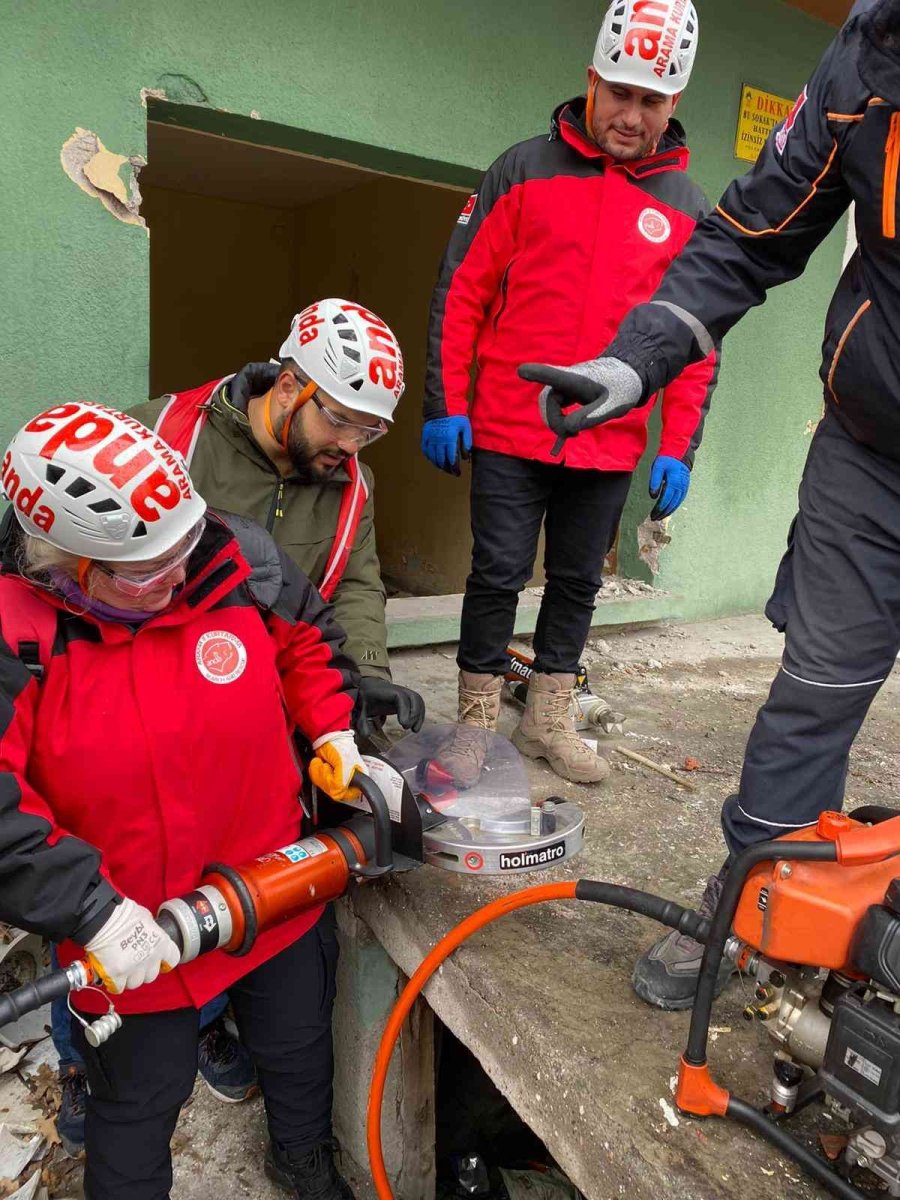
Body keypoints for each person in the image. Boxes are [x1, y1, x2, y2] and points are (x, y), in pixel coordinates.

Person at [519, 0, 898, 1009]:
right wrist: (636, 361)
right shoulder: (869, 63)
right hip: (873, 453)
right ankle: (755, 905)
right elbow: (748, 238)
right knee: (816, 686)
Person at [48, 298, 426, 1144]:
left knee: (227, 880)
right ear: (289, 386)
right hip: (135, 708)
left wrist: (364, 677)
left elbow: (353, 583)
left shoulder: (350, 483)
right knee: (109, 896)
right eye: (341, 420)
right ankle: (83, 1054)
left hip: (253, 708)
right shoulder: (164, 435)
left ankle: (208, 1019)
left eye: (370, 431)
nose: (352, 445)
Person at [0, 401, 369, 1199]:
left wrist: (334, 727)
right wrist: (90, 910)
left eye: (183, 549)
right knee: (136, 1106)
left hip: (274, 884)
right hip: (132, 931)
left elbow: (310, 638)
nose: (176, 579)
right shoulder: (14, 633)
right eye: (145, 571)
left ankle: (301, 1159)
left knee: (298, 1044)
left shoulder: (228, 557)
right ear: (67, 564)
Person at [421, 0, 718, 784]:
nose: (631, 115)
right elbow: (462, 291)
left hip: (609, 440)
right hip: (510, 428)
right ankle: (476, 726)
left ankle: (546, 718)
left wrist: (679, 446)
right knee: (497, 574)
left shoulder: (687, 210)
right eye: (619, 92)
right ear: (592, 79)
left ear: (674, 103)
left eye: (651, 100)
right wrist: (446, 402)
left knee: (579, 583)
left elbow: (695, 342)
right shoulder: (522, 169)